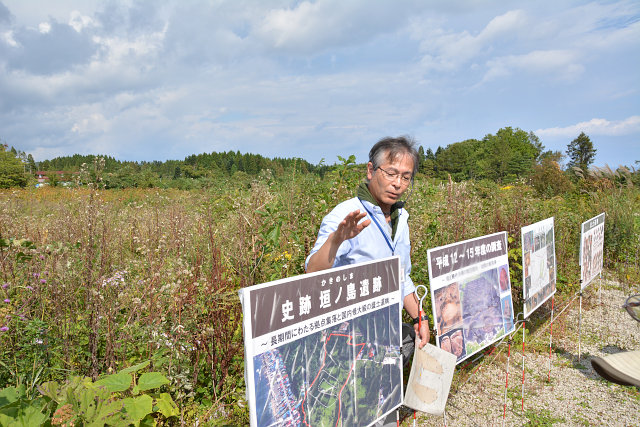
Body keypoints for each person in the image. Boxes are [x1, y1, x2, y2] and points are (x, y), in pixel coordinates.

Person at [305, 136, 430, 348]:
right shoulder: (345, 217)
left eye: (406, 177)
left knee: (408, 342)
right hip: (349, 337)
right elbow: (312, 273)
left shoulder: (401, 218)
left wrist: (420, 317)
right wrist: (336, 240)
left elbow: (401, 277)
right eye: (390, 173)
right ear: (371, 170)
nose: (397, 184)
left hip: (383, 330)